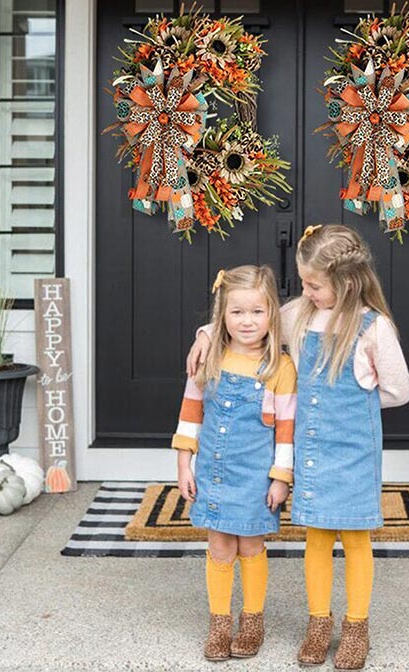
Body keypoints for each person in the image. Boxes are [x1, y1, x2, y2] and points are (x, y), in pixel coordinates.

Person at [188, 225, 409, 670]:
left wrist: (355, 404)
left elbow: (399, 390)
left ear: (346, 283)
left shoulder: (374, 327)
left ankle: (356, 627)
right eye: (305, 283)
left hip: (353, 451)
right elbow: (253, 322)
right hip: (311, 450)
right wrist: (205, 333)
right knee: (318, 536)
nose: (305, 291)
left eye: (313, 284)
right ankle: (318, 623)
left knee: (355, 537)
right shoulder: (301, 315)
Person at [173, 265, 297, 662]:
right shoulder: (209, 359)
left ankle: (253, 619)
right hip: (214, 471)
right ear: (221, 315)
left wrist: (281, 477)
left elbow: (286, 431)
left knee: (251, 545)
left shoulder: (280, 368)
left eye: (257, 312)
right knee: (220, 545)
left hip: (256, 476)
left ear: (272, 313)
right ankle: (220, 622)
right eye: (237, 312)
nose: (247, 321)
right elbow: (190, 414)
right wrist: (184, 464)